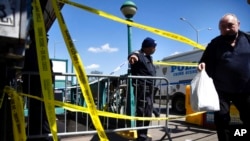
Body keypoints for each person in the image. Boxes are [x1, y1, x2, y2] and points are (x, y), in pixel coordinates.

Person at [197, 13, 250, 141]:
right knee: (221, 120)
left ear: (238, 24)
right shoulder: (215, 43)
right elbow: (203, 61)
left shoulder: (248, 39)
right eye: (222, 27)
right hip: (221, 91)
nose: (226, 29)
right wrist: (202, 65)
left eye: (230, 25)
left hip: (245, 89)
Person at [128, 37, 157, 141]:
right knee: (142, 112)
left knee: (147, 112)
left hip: (149, 88)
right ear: (147, 47)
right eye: (153, 47)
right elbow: (133, 54)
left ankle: (143, 135)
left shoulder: (149, 57)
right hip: (142, 88)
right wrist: (133, 56)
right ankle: (141, 137)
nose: (155, 49)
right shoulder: (139, 54)